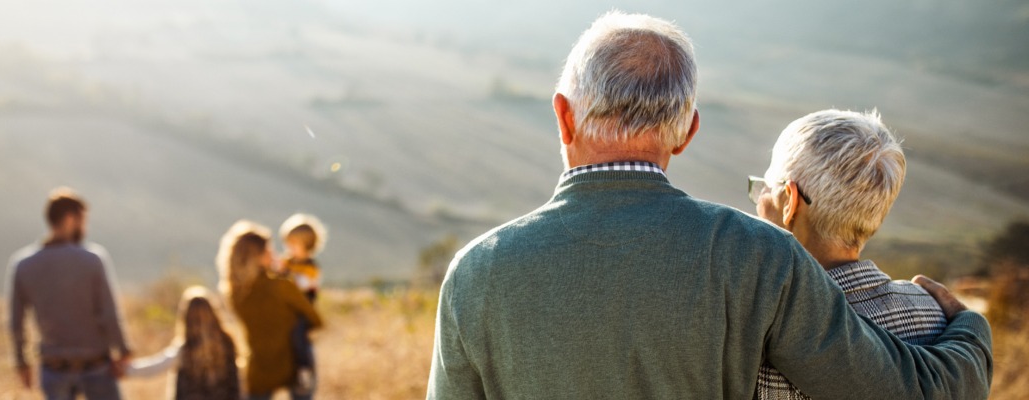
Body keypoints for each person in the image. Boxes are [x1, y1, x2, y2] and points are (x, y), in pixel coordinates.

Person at [427, 11, 993, 399]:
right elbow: (895, 390)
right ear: (687, 131)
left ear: (563, 115)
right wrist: (969, 331)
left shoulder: (477, 271)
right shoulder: (758, 255)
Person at [750, 109, 948, 399]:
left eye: (765, 188)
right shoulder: (935, 315)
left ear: (791, 201)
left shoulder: (763, 331)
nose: (758, 203)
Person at [8, 187, 132, 400]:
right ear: (69, 218)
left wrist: (21, 363)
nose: (85, 226)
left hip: (53, 369)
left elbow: (16, 322)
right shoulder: (92, 260)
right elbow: (109, 313)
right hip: (96, 366)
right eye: (82, 220)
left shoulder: (23, 265)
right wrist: (123, 351)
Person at [218, 220, 324, 400]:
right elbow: (315, 320)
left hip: (259, 368)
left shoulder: (234, 294)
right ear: (259, 256)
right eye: (269, 250)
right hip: (294, 365)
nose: (276, 254)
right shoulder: (281, 287)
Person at [126, 286, 242, 400]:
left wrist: (126, 370)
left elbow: (157, 366)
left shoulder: (185, 349)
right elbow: (236, 382)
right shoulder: (227, 343)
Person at [276, 213, 328, 395]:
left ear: (306, 245)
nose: (288, 248)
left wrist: (286, 274)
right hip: (286, 310)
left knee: (298, 335)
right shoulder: (287, 262)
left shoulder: (311, 267)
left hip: (303, 312)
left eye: (293, 244)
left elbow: (302, 285)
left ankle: (304, 368)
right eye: (287, 244)